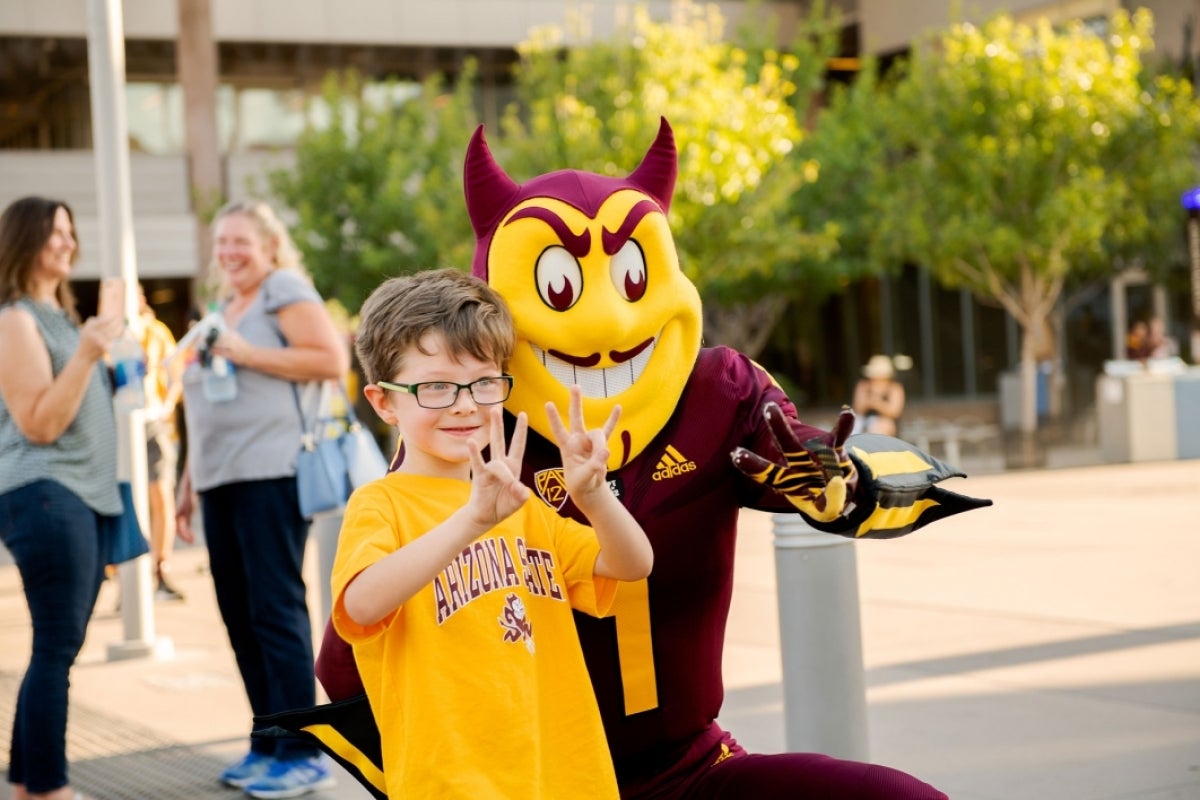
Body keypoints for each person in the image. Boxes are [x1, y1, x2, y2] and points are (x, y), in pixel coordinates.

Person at [302, 120, 989, 798]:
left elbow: (805, 470)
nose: (607, 324)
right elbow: (353, 647)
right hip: (527, 778)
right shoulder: (480, 442)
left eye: (629, 276)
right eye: (563, 286)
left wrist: (843, 482)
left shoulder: (717, 392)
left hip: (685, 765)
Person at [332, 269, 652, 798]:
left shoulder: (523, 507)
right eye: (434, 386)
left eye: (483, 383)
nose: (464, 404)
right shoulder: (381, 504)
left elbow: (633, 563)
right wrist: (471, 521)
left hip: (565, 774)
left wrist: (593, 496)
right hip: (452, 782)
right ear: (384, 400)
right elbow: (360, 606)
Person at [174, 200, 349, 797]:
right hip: (219, 478)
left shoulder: (283, 287)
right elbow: (206, 406)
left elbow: (331, 359)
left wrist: (248, 354)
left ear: (270, 246)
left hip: (270, 473)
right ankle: (268, 740)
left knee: (274, 612)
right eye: (222, 241)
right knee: (238, 615)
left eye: (241, 241)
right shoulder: (221, 308)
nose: (229, 252)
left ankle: (303, 750)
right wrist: (186, 481)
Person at [0, 196, 127, 800]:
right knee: (55, 645)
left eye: (72, 231)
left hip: (88, 497)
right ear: (24, 240)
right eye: (54, 232)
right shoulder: (14, 319)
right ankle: (47, 789)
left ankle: (28, 782)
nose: (67, 242)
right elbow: (38, 424)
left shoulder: (65, 318)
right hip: (48, 494)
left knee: (57, 646)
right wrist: (87, 354)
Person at [137, 285, 186, 601]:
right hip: (121, 427)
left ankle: (160, 568)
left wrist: (166, 408)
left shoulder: (156, 332)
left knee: (159, 494)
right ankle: (131, 572)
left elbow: (175, 374)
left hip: (154, 423)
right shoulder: (104, 333)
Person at [852, 353, 906, 436]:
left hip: (886, 426)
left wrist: (876, 403)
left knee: (883, 424)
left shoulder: (895, 387)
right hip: (863, 421)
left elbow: (895, 412)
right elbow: (858, 408)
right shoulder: (863, 385)